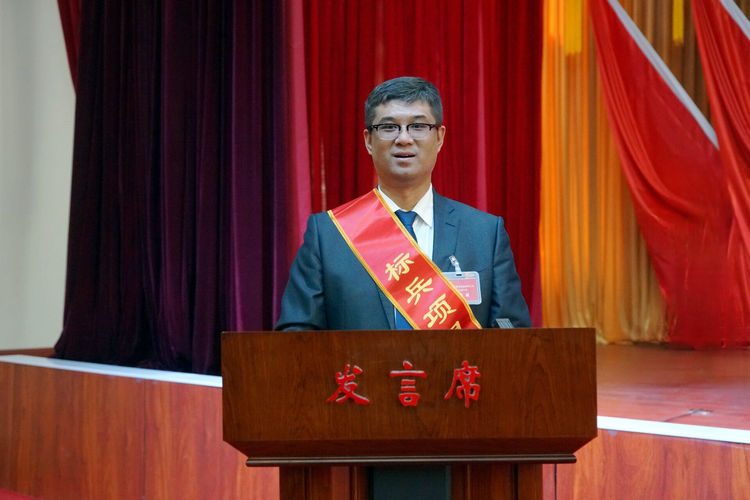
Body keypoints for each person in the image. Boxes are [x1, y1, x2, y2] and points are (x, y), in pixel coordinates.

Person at [276, 76, 530, 331]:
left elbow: (513, 338)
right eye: (389, 127)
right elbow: (296, 338)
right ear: (368, 140)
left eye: (418, 126)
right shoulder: (329, 235)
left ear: (439, 137)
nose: (404, 138)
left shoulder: (484, 234)